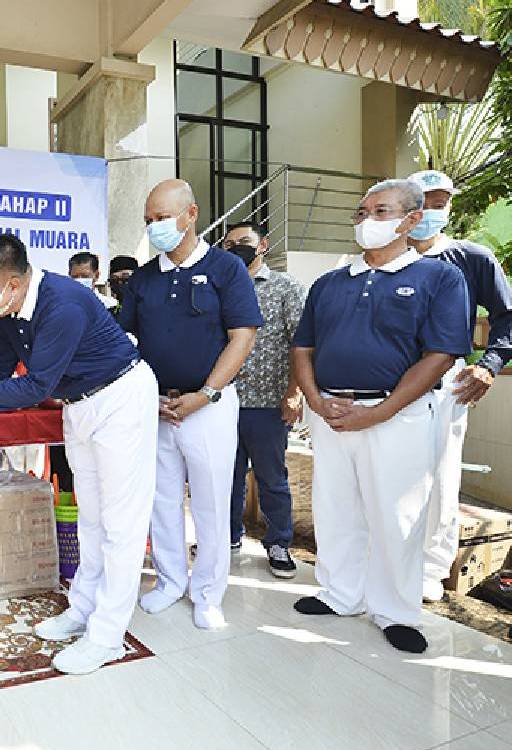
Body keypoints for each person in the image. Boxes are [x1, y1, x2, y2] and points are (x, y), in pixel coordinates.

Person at [0, 233, 159, 675]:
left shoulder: (60, 305)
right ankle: (83, 607)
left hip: (121, 398)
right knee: (90, 515)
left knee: (121, 522)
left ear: (13, 282)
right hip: (81, 404)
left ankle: (106, 636)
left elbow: (35, 386)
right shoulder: (10, 310)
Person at [290, 179, 470, 653]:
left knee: (397, 513)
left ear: (412, 220)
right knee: (336, 506)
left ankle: (394, 610)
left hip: (398, 414)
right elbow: (303, 346)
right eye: (362, 212)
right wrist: (314, 399)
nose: (367, 221)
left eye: (381, 211)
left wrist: (381, 411)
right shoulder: (330, 282)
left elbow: (442, 354)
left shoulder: (440, 278)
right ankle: (339, 593)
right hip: (331, 412)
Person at [119, 179, 262, 630]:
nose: (155, 227)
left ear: (190, 214)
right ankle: (169, 582)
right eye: (148, 221)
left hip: (211, 404)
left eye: (162, 218)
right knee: (161, 499)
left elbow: (243, 337)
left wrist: (206, 394)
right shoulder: (142, 279)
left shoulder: (225, 269)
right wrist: (148, 396)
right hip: (157, 407)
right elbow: (126, 341)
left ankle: (207, 593)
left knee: (211, 501)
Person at [406, 169, 512, 602]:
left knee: (440, 476)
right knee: (381, 478)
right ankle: (385, 559)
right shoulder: (381, 256)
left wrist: (488, 365)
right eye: (423, 201)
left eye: (440, 203)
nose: (431, 211)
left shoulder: (471, 257)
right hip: (381, 383)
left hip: (445, 385)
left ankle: (430, 569)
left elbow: (507, 318)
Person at [221, 221, 305, 578]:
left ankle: (278, 542)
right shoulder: (219, 287)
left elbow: (301, 344)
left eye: (243, 242)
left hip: (268, 403)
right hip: (223, 402)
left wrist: (294, 393)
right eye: (228, 245)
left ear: (263, 245)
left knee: (272, 478)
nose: (236, 248)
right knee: (227, 477)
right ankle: (228, 537)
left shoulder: (285, 287)